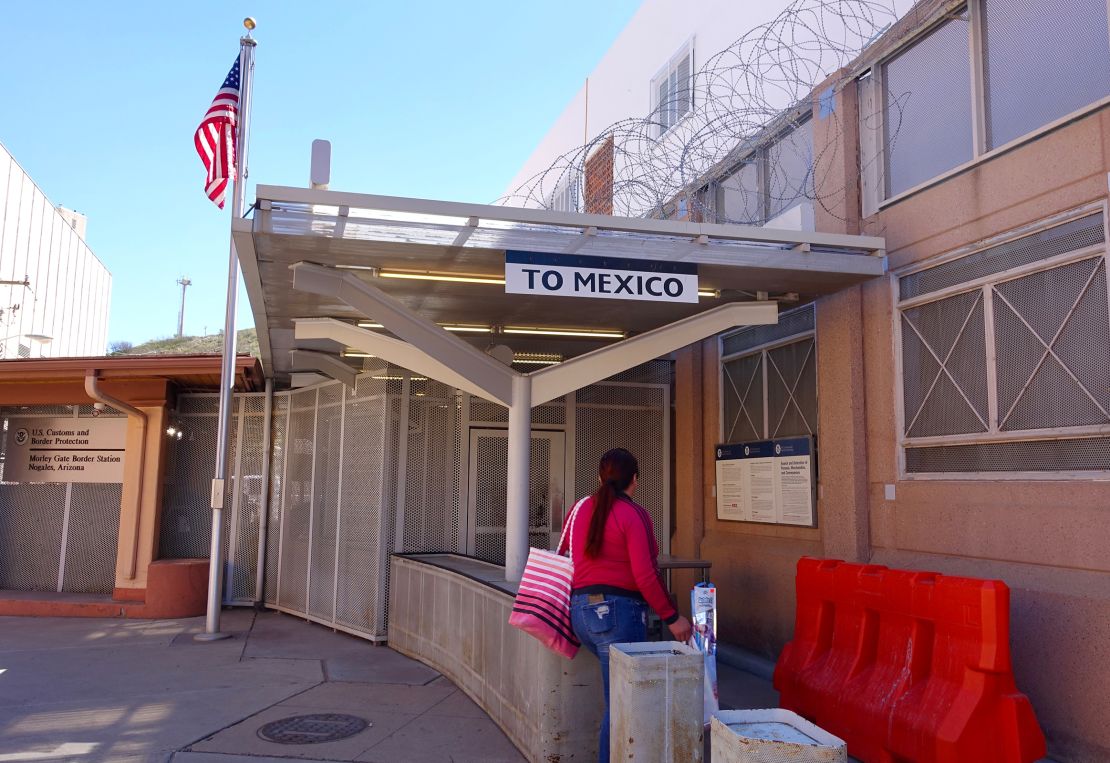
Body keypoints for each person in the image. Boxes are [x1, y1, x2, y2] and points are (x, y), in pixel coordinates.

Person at [559, 447, 692, 763]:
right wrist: (672, 617)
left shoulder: (578, 510)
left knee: (617, 699)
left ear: (599, 477)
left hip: (581, 614)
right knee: (621, 704)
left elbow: (564, 555)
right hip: (618, 617)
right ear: (635, 479)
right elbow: (645, 575)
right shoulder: (634, 514)